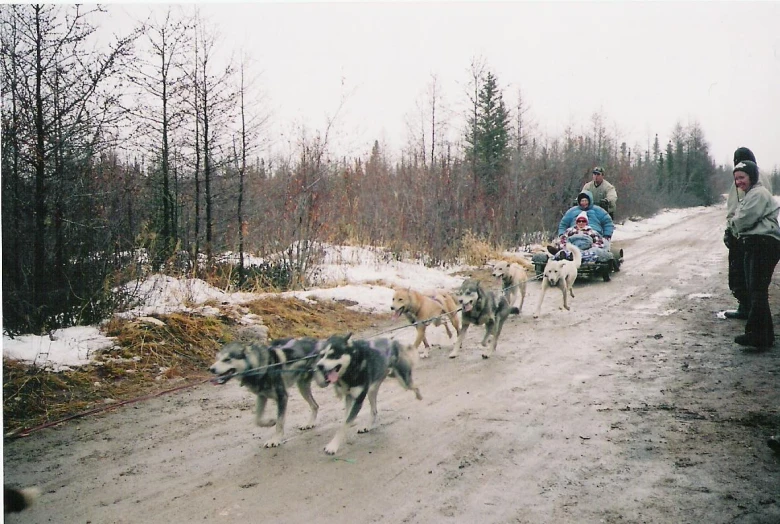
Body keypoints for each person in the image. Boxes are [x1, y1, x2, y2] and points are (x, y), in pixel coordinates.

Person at [728, 160, 780, 349]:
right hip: (757, 243)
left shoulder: (758, 194)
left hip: (763, 243)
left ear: (752, 176)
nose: (738, 182)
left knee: (757, 290)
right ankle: (764, 335)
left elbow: (743, 220)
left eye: (742, 177)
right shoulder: (751, 194)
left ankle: (756, 334)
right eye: (736, 179)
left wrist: (732, 227)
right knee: (756, 290)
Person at [723, 147, 757, 319]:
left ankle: (746, 307)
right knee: (748, 273)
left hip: (743, 234)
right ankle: (749, 306)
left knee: (739, 273)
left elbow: (741, 210)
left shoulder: (750, 182)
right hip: (746, 233)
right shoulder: (754, 178)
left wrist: (731, 230)